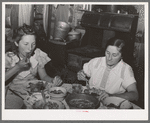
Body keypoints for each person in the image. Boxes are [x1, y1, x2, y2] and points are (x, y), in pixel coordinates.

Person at [5, 24, 62, 108]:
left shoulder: (37, 55)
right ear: (16, 43)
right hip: (15, 95)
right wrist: (17, 67)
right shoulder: (10, 58)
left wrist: (53, 80)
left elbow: (44, 76)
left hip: (35, 94)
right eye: (26, 44)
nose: (30, 48)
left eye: (33, 44)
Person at [77, 37, 139, 102]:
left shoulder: (125, 69)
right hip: (89, 100)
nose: (109, 58)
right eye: (107, 53)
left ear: (122, 56)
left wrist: (111, 96)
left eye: (114, 55)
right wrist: (81, 74)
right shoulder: (95, 62)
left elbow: (135, 95)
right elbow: (83, 74)